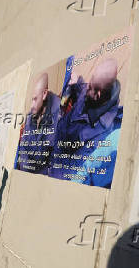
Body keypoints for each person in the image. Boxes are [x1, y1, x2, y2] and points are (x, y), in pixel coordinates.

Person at [49, 58, 122, 187]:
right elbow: (83, 89)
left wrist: (51, 162)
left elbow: (75, 168)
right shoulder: (93, 90)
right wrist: (78, 82)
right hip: (56, 136)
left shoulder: (101, 134)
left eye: (90, 86)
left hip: (59, 162)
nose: (87, 86)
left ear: (98, 95)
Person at [15, 73, 60, 175]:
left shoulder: (58, 115)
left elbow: (47, 158)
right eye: (32, 100)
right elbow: (23, 147)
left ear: (44, 94)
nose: (32, 105)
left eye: (35, 99)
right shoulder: (31, 115)